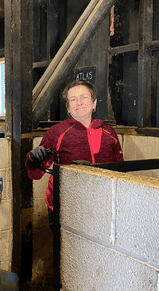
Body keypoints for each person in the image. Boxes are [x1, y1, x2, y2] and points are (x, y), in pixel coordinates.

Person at [26, 79, 123, 228]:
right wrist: (33, 159)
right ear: (68, 108)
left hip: (103, 205)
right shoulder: (56, 132)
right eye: (73, 99)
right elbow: (35, 175)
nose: (79, 103)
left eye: (84, 97)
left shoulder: (109, 132)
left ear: (94, 103)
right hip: (65, 206)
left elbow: (121, 171)